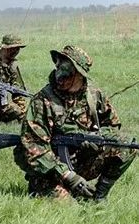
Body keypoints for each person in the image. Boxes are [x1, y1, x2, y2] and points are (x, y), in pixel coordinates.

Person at [13, 45, 136, 200]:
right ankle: (45, 189)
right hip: (49, 170)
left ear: (79, 74)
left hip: (81, 161)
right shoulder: (42, 101)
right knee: (69, 208)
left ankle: (99, 197)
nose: (59, 77)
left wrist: (95, 138)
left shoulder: (94, 95)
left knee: (127, 145)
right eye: (58, 69)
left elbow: (113, 127)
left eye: (66, 73)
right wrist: (70, 177)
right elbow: (34, 147)